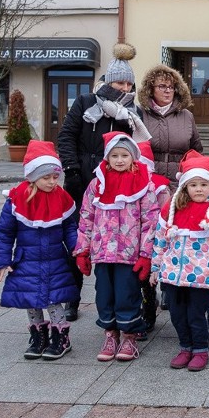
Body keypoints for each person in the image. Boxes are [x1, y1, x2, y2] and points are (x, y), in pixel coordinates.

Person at [58, 43, 149, 321]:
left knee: (118, 241)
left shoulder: (134, 111)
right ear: (108, 82)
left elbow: (137, 147)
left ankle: (129, 302)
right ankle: (72, 297)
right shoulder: (86, 102)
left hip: (116, 183)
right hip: (83, 179)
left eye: (128, 82)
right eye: (119, 82)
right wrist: (72, 170)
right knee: (78, 240)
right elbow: (67, 136)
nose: (124, 87)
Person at [74, 132, 159, 362]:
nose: (120, 160)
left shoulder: (143, 185)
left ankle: (129, 335)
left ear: (133, 157)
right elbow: (86, 217)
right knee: (104, 294)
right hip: (102, 252)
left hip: (128, 254)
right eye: (115, 155)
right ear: (107, 158)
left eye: (124, 155)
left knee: (127, 294)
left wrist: (146, 255)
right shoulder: (96, 184)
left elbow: (150, 221)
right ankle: (110, 334)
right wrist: (82, 250)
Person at [151, 151, 209, 372]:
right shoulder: (173, 208)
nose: (199, 189)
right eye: (193, 185)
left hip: (201, 276)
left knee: (196, 316)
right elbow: (160, 239)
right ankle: (185, 347)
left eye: (204, 184)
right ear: (185, 187)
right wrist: (155, 267)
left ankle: (200, 349)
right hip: (171, 274)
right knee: (177, 315)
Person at [0, 141, 78, 360]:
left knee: (53, 299)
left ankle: (61, 338)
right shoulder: (16, 199)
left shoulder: (61, 196)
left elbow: (70, 227)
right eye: (46, 177)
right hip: (26, 259)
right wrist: (3, 260)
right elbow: (5, 232)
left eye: (55, 177)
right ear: (33, 176)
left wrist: (78, 250)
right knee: (31, 300)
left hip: (54, 259)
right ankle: (39, 337)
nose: (52, 182)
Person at [138, 65, 203, 187]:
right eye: (162, 86)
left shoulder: (187, 116)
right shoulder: (140, 114)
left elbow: (196, 151)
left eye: (171, 87)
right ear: (150, 89)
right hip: (148, 180)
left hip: (179, 180)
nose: (168, 90)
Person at [135, 141, 172, 341]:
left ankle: (149, 309)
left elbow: (166, 212)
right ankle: (134, 311)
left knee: (146, 278)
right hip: (127, 241)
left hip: (152, 239)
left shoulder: (159, 186)